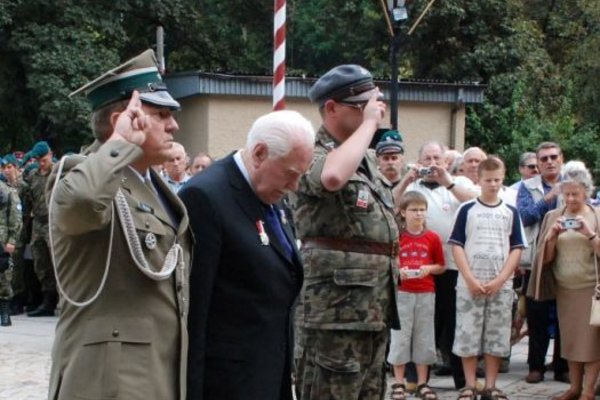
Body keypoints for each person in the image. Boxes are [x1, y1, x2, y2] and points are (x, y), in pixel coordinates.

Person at [46, 49, 192, 400]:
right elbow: (80, 204)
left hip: (157, 370)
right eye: (161, 114)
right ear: (120, 120)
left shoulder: (154, 186)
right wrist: (119, 145)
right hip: (109, 379)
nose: (174, 125)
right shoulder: (79, 173)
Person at [180, 110, 314, 400]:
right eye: (290, 173)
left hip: (268, 372)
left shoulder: (269, 194)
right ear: (259, 154)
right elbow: (195, 310)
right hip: (226, 382)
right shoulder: (206, 197)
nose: (294, 186)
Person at [289, 64, 399, 400]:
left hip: (371, 307)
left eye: (373, 106)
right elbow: (332, 178)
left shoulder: (362, 158)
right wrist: (369, 125)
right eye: (361, 107)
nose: (373, 112)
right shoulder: (310, 150)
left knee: (371, 390)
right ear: (331, 108)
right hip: (334, 312)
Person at [393, 141, 477, 390]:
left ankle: (462, 379)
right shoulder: (412, 185)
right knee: (417, 324)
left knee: (452, 323)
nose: (432, 163)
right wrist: (408, 178)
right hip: (414, 270)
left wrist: (447, 181)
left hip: (450, 265)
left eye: (437, 158)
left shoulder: (456, 183)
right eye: (426, 158)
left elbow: (475, 201)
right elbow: (390, 202)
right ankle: (416, 379)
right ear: (418, 161)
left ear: (446, 162)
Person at [449, 156, 525, 400]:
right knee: (467, 334)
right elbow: (457, 245)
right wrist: (470, 278)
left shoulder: (510, 211)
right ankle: (470, 385)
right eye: (488, 180)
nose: (493, 184)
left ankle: (491, 385)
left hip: (499, 286)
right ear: (479, 180)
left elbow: (517, 247)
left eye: (498, 180)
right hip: (470, 285)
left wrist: (501, 279)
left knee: (496, 336)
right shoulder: (467, 209)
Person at [529, 161, 600, 400]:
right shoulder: (552, 216)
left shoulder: (596, 215)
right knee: (569, 342)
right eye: (566, 193)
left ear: (586, 192)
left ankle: (588, 391)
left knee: (590, 345)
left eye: (575, 194)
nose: (570, 199)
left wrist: (589, 234)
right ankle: (574, 388)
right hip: (565, 289)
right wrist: (550, 238)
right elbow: (545, 260)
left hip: (591, 289)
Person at [517, 141, 569, 384]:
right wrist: (550, 197)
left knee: (565, 316)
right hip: (536, 260)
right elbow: (524, 217)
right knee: (536, 315)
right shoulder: (526, 187)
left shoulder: (574, 182)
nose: (549, 162)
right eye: (544, 158)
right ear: (537, 163)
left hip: (568, 259)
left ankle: (562, 367)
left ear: (562, 158)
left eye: (553, 157)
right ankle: (535, 366)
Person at [387, 191, 445, 400]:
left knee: (424, 337)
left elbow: (441, 266)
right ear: (403, 212)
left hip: (425, 292)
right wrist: (398, 270)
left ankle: (422, 382)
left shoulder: (432, 238)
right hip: (402, 293)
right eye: (413, 210)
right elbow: (390, 261)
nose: (418, 214)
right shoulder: (397, 237)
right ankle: (398, 382)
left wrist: (428, 268)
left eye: (422, 210)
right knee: (400, 337)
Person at [23, 141, 57, 317]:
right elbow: (28, 200)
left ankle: (64, 302)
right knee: (40, 263)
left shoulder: (59, 173)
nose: (41, 163)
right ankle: (48, 302)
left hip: (55, 223)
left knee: (58, 262)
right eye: (38, 160)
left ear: (50, 154)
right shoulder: (32, 176)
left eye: (43, 159)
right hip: (38, 223)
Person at [0, 178, 22, 326]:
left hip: (2, 239)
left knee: (4, 275)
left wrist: (12, 240)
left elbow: (15, 216)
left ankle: (5, 313)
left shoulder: (7, 190)